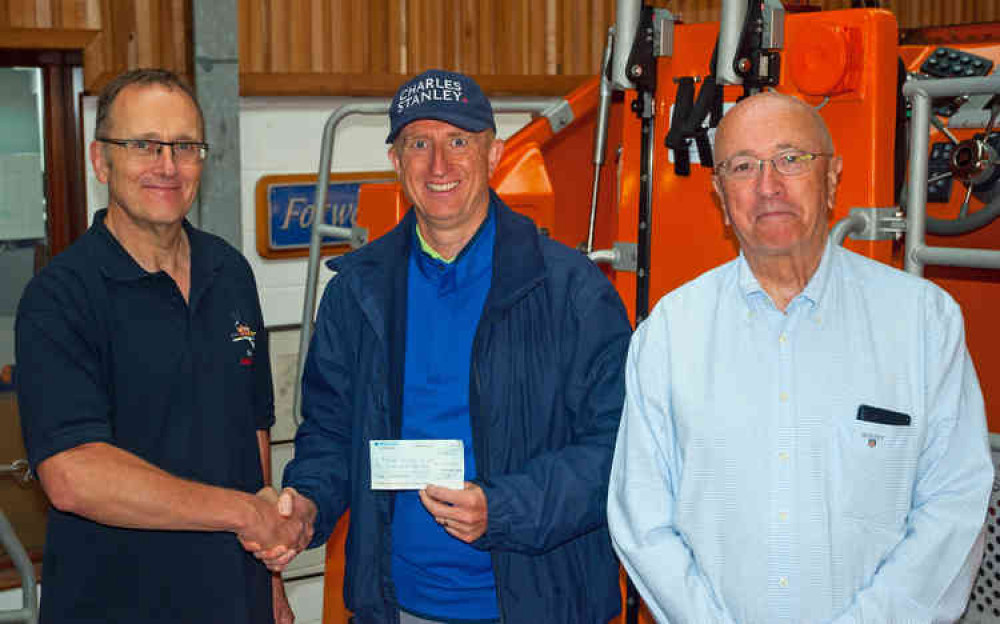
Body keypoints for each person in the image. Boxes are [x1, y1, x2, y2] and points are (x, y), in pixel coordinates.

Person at [607, 92, 994, 623]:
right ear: (720, 194)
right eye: (743, 166)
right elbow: (641, 518)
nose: (768, 186)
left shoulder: (923, 323)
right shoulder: (671, 333)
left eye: (791, 159)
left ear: (832, 176)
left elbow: (954, 504)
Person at [270, 69, 632, 624]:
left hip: (539, 606)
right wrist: (308, 504)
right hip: (398, 606)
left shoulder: (572, 291)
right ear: (396, 161)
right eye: (419, 144)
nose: (438, 165)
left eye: (459, 141)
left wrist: (504, 510)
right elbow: (331, 433)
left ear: (494, 156)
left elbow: (617, 448)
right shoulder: (357, 292)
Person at [15, 68, 306, 624]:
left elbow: (253, 428)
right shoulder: (59, 298)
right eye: (144, 145)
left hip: (234, 599)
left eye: (185, 147)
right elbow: (74, 476)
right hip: (120, 604)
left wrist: (270, 583)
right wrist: (244, 513)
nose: (167, 166)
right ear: (101, 161)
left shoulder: (231, 272)